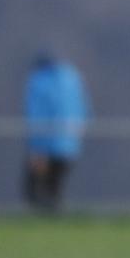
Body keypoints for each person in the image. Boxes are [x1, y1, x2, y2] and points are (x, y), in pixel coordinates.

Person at [23, 52, 89, 214]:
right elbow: (83, 109)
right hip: (70, 144)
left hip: (46, 143)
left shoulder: (40, 81)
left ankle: (40, 220)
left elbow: (38, 114)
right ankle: (56, 217)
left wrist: (37, 147)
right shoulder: (72, 78)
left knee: (35, 186)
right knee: (55, 185)